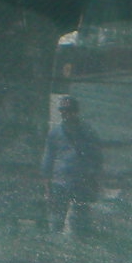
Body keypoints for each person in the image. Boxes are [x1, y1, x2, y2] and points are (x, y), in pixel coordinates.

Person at [42, 95, 103, 235]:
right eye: (62, 111)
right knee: (56, 219)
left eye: (69, 110)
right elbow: (47, 159)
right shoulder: (55, 133)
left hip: (81, 182)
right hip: (60, 182)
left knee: (80, 219)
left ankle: (79, 241)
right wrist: (47, 185)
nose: (65, 114)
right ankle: (54, 242)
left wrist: (95, 180)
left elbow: (97, 158)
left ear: (76, 112)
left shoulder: (87, 132)